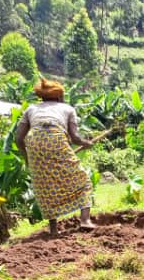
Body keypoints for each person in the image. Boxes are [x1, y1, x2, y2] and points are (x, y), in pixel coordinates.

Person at [14, 77, 96, 236]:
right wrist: (86, 143)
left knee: (44, 185)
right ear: (59, 97)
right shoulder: (67, 108)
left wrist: (27, 158)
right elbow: (75, 138)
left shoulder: (31, 109)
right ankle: (85, 220)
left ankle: (53, 230)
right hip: (55, 138)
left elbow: (18, 139)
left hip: (33, 143)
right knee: (82, 179)